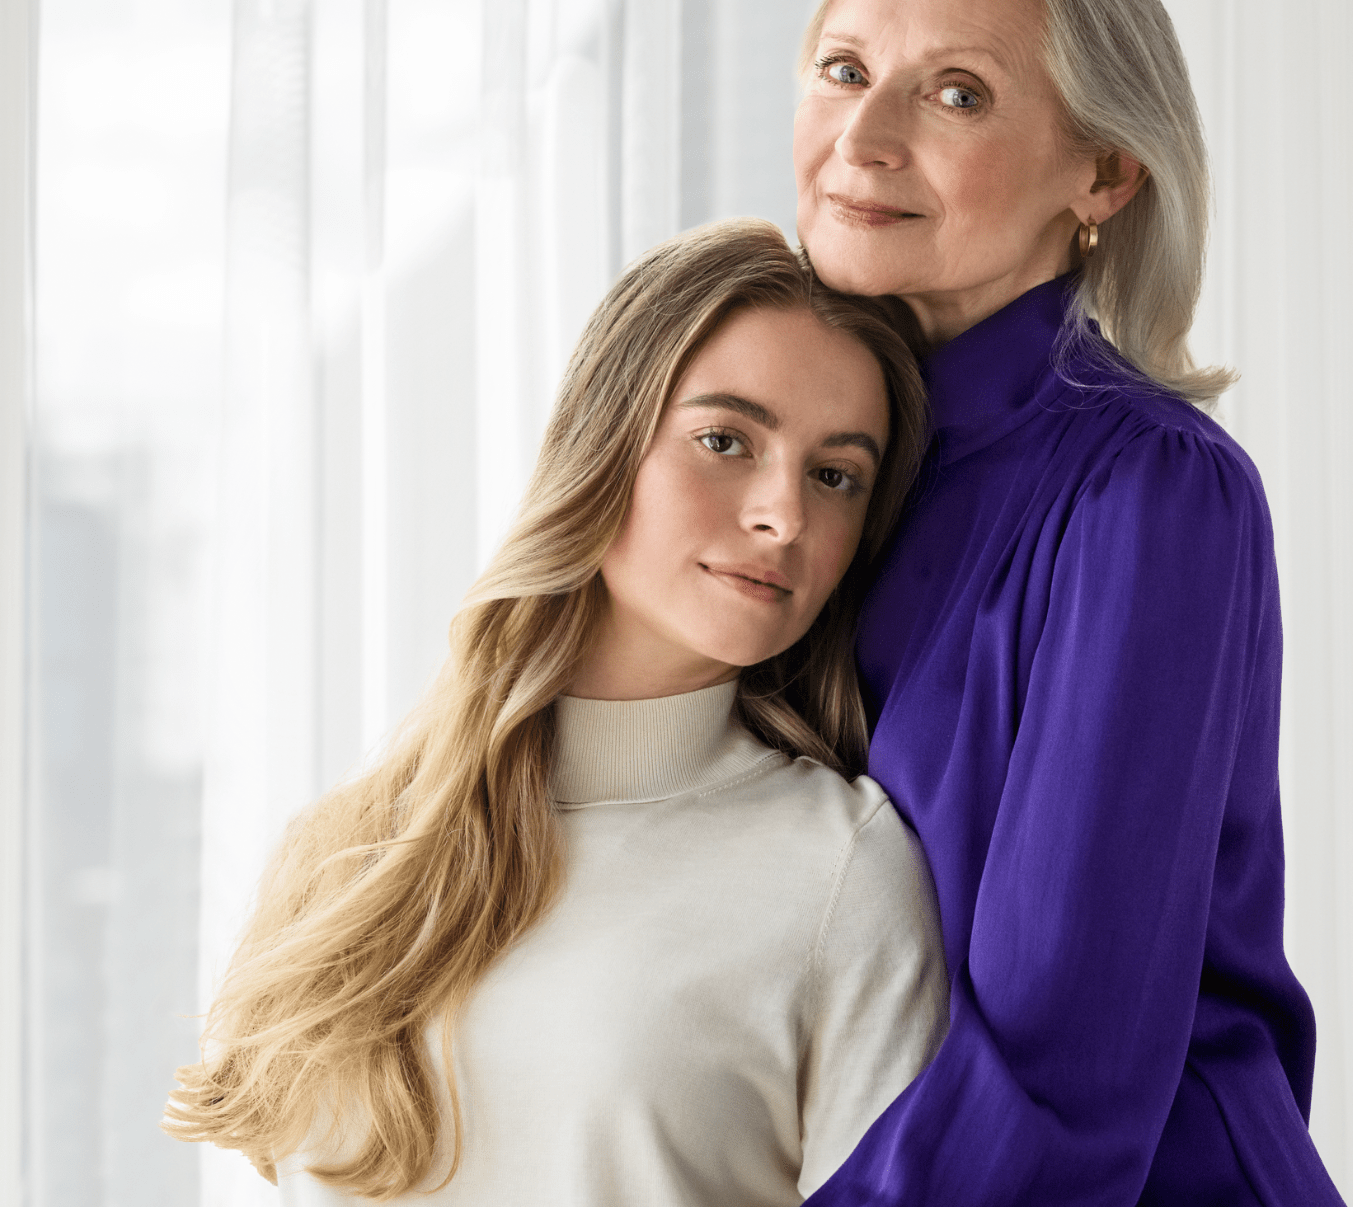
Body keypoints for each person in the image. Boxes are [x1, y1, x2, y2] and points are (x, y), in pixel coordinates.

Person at [165, 219, 947, 1205]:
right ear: (603, 442)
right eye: (724, 441)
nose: (782, 515)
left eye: (834, 476)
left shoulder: (839, 872)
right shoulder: (347, 855)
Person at [793, 0, 1345, 1204]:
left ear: (1101, 174)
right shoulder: (803, 470)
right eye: (844, 71)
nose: (862, 139)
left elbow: (1060, 1074)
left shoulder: (1151, 491)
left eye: (957, 94)